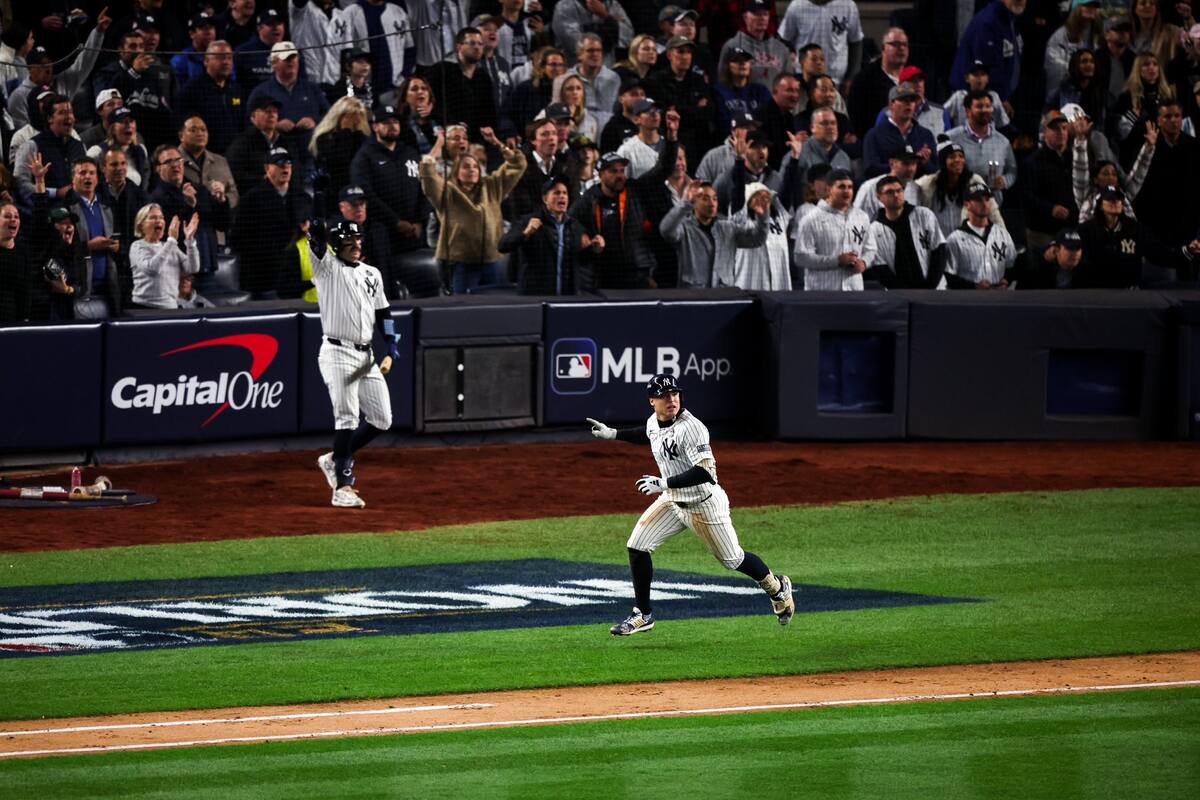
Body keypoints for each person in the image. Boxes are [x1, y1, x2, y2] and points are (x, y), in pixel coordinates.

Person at [586, 374, 796, 636]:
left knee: (733, 560)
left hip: (703, 504)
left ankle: (777, 588)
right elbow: (649, 434)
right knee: (637, 546)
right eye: (664, 395)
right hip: (673, 501)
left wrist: (664, 484)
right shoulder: (654, 421)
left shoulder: (692, 427)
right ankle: (643, 615)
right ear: (652, 401)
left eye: (674, 394)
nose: (671, 399)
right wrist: (613, 434)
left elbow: (706, 471)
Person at [311, 220, 400, 509]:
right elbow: (315, 234)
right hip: (337, 353)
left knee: (382, 418)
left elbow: (384, 310)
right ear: (337, 244)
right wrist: (316, 219)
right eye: (350, 241)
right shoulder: (326, 268)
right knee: (347, 416)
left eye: (359, 240)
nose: (357, 245)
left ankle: (333, 459)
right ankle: (343, 486)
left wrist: (392, 342)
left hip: (366, 355)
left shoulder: (371, 273)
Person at [419, 128, 527, 294]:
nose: (472, 170)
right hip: (461, 264)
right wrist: (439, 146)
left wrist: (497, 143)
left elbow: (518, 164)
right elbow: (427, 174)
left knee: (496, 309)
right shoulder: (446, 192)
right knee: (461, 312)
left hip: (493, 262)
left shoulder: (491, 186)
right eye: (466, 167)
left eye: (475, 167)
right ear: (457, 171)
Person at [229, 148, 313, 299]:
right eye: (279, 163)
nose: (285, 167)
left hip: (296, 277)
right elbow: (238, 238)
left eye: (288, 162)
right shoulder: (251, 199)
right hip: (264, 276)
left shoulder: (303, 197)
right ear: (267, 168)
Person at [1077, 185, 1199, 287]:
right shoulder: (1085, 230)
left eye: (1119, 199)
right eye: (1110, 199)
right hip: (1094, 294)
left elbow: (1160, 253)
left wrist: (1188, 250)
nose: (1115, 202)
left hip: (1130, 295)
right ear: (1100, 205)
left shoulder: (1135, 229)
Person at [7, 14, 108, 129]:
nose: (48, 69)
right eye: (42, 65)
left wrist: (98, 32)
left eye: (50, 63)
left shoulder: (63, 81)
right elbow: (22, 132)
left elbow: (85, 60)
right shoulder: (18, 96)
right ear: (30, 68)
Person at [1132, 100, 1200, 267]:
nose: (1173, 120)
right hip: (1156, 227)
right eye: (1168, 116)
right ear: (1159, 120)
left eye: (1177, 116)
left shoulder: (1194, 147)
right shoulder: (1148, 146)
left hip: (1187, 225)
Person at [247, 41, 330, 176]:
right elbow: (249, 123)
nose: (291, 62)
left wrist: (315, 121)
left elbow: (329, 116)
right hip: (277, 160)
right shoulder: (261, 92)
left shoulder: (312, 88)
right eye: (286, 59)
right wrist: (274, 126)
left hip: (310, 157)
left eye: (293, 58)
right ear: (274, 63)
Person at [499, 176, 592, 294]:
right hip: (535, 296)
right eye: (556, 193)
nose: (562, 196)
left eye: (565, 193)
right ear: (545, 199)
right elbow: (503, 246)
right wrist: (525, 233)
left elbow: (581, 261)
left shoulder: (575, 226)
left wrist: (592, 248)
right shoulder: (529, 221)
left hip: (566, 296)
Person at [148, 144, 230, 276]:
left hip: (207, 264)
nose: (176, 165)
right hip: (179, 270)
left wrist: (222, 202)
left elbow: (223, 225)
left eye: (179, 160)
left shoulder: (199, 190)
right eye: (169, 162)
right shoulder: (156, 199)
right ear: (158, 168)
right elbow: (168, 235)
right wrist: (189, 206)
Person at [794, 169, 877, 291]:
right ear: (828, 190)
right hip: (822, 292)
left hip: (854, 290)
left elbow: (871, 249)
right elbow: (801, 257)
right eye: (841, 187)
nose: (847, 191)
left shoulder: (861, 217)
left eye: (850, 187)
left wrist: (864, 263)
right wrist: (836, 261)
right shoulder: (810, 219)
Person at [420, 27, 498, 145]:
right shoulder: (441, 70)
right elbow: (427, 100)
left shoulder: (483, 77)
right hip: (446, 136)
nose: (477, 47)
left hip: (475, 140)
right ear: (459, 47)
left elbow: (489, 112)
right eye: (472, 43)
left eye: (480, 44)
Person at [867, 175, 947, 289]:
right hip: (899, 296)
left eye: (899, 190)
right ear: (879, 197)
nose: (896, 195)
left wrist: (930, 287)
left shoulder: (924, 215)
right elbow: (880, 268)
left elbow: (939, 251)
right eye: (889, 192)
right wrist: (903, 293)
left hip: (933, 289)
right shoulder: (874, 230)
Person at [645, 36, 713, 166]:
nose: (686, 56)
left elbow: (708, 113)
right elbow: (664, 115)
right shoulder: (656, 80)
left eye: (689, 52)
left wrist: (678, 109)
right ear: (670, 54)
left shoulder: (698, 80)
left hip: (697, 144)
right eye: (681, 51)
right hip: (669, 142)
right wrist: (695, 108)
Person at [1071, 116, 1152, 224]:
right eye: (1105, 174)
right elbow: (1080, 169)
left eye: (1114, 174)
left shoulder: (1123, 196)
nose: (1110, 177)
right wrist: (1080, 140)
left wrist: (1148, 148)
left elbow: (1138, 175)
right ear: (1095, 179)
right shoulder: (1086, 196)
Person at [946, 90, 1018, 206]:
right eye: (979, 106)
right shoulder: (951, 138)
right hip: (959, 204)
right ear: (967, 111)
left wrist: (1004, 181)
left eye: (988, 106)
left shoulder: (1003, 141)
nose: (985, 110)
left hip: (992, 205)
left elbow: (1012, 171)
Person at [715, 183, 792, 290]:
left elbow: (789, 187)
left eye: (766, 196)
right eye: (758, 196)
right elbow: (737, 195)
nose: (763, 199)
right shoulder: (741, 221)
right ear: (748, 201)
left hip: (780, 288)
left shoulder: (780, 219)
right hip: (748, 287)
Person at [950, 0, 1026, 108]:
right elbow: (987, 66)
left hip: (993, 97)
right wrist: (1000, 98)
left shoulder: (1010, 20)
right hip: (972, 98)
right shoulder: (988, 21)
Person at [914, 140, 997, 237]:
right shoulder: (929, 184)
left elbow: (992, 210)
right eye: (952, 157)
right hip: (939, 241)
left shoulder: (974, 181)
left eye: (961, 156)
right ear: (943, 162)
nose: (957, 160)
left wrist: (1003, 237)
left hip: (968, 241)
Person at [943, 184, 1018, 289]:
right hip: (970, 301)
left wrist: (1006, 280)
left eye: (987, 199)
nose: (984, 204)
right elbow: (949, 276)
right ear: (967, 204)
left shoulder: (1002, 233)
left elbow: (1013, 265)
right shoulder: (955, 239)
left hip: (1000, 298)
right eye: (978, 200)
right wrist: (975, 287)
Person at [14, 94, 86, 201]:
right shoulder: (32, 146)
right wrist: (55, 193)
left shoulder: (80, 146)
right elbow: (21, 184)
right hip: (46, 210)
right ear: (49, 118)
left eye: (70, 112)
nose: (68, 117)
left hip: (78, 209)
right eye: (62, 113)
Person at [176, 41, 243, 156]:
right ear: (206, 61)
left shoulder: (237, 89)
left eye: (229, 58)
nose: (226, 62)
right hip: (204, 155)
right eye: (221, 58)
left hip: (234, 155)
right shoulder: (192, 89)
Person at [778, 0, 864, 88]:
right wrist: (789, 72)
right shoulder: (797, 5)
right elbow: (783, 40)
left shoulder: (848, 5)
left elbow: (856, 42)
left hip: (837, 81)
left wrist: (851, 78)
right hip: (804, 81)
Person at [129, 205, 201, 309]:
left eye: (161, 217)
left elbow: (193, 268)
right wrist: (171, 240)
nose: (159, 221)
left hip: (170, 307)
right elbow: (153, 269)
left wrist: (190, 241)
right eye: (153, 217)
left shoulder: (171, 246)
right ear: (141, 225)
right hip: (144, 308)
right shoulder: (137, 246)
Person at [846, 27, 911, 139]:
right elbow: (858, 122)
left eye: (905, 45)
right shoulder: (864, 80)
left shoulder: (914, 79)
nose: (901, 48)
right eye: (895, 44)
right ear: (883, 48)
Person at [1112, 52, 1173, 168]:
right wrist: (1135, 116)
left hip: (1164, 152)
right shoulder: (1126, 97)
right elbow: (1120, 134)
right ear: (1138, 69)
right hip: (1135, 154)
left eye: (1155, 64)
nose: (1151, 68)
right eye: (1146, 64)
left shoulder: (1167, 96)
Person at [861, 82, 935, 178]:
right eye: (903, 100)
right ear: (891, 104)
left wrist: (925, 163)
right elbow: (870, 168)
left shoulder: (925, 134)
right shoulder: (874, 134)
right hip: (885, 188)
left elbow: (936, 170)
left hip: (918, 188)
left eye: (912, 100)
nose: (909, 103)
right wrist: (899, 167)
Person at [718, 0, 795, 90]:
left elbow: (789, 82)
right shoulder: (731, 46)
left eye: (765, 14)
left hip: (773, 102)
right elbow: (723, 81)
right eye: (757, 14)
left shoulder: (781, 49)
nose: (762, 18)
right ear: (745, 17)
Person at [225, 96, 294, 195]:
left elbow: (296, 171)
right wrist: (266, 179)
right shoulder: (241, 143)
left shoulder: (286, 142)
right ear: (253, 117)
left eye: (275, 112)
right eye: (267, 111)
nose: (272, 115)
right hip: (256, 198)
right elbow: (236, 175)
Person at [342, 0, 415, 92]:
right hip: (363, 87)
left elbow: (410, 49)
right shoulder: (350, 13)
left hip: (395, 85)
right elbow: (343, 51)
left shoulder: (398, 12)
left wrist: (403, 77)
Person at [179, 116, 239, 226]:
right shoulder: (173, 160)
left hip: (216, 230)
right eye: (193, 130)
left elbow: (234, 194)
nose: (200, 133)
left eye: (203, 130)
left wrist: (223, 199)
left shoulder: (221, 161)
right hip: (185, 227)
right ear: (181, 136)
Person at [1044, 0, 1103, 103]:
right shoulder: (1061, 36)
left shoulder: (1096, 34)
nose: (1091, 10)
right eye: (1087, 6)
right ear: (1077, 8)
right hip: (1064, 93)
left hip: (1090, 93)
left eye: (1094, 7)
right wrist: (1079, 71)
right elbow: (1054, 65)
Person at [714, 128, 783, 216]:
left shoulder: (776, 178)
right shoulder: (725, 180)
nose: (761, 151)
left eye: (764, 147)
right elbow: (715, 214)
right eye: (754, 147)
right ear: (744, 149)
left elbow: (786, 213)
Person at [504, 47, 567, 141]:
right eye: (553, 65)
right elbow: (506, 114)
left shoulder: (568, 91)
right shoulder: (525, 89)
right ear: (542, 67)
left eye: (560, 65)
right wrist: (511, 133)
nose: (557, 69)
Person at [713, 48, 773, 136]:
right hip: (729, 139)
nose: (742, 63)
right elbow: (721, 123)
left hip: (758, 139)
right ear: (728, 66)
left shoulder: (761, 91)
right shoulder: (718, 91)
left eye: (746, 60)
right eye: (736, 61)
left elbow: (769, 118)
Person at [551, 0, 634, 62]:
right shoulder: (565, 5)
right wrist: (611, 28)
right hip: (575, 72)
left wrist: (606, 16)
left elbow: (628, 37)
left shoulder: (611, 4)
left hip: (606, 72)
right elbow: (575, 45)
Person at [86, 108, 150, 188]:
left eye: (131, 121)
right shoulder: (96, 152)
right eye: (123, 121)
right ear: (113, 129)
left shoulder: (141, 150)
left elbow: (145, 182)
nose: (129, 125)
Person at [855, 144, 923, 219]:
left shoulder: (916, 189)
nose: (911, 169)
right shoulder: (870, 187)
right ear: (892, 163)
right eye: (905, 163)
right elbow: (857, 220)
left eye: (914, 163)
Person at [234, 8, 289, 99]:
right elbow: (236, 87)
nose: (276, 28)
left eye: (279, 24)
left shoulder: (291, 51)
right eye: (270, 24)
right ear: (259, 28)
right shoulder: (243, 53)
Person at [944, 59, 1013, 132]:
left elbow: (1003, 124)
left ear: (987, 79)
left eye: (983, 74)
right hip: (962, 139)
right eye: (975, 75)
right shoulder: (959, 96)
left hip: (988, 140)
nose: (979, 78)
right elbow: (942, 114)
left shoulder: (994, 96)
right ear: (967, 78)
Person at [570, 33, 620, 130]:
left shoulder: (613, 78)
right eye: (590, 51)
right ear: (579, 55)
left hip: (608, 129)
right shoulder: (568, 78)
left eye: (598, 50)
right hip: (579, 128)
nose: (595, 54)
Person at [599, 77, 645, 153]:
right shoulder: (612, 127)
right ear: (621, 99)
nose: (640, 98)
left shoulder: (651, 123)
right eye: (634, 94)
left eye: (642, 94)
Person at [172, 13, 217, 88]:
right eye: (203, 28)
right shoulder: (179, 61)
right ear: (192, 34)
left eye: (211, 27)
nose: (209, 32)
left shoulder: (222, 57)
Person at [552, 73, 600, 141]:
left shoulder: (591, 121)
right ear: (561, 93)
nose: (575, 92)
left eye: (578, 88)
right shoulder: (547, 116)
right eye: (570, 89)